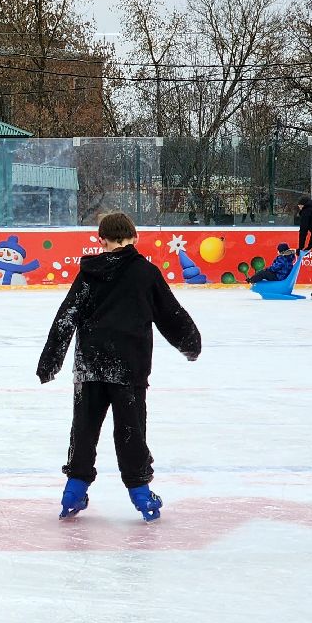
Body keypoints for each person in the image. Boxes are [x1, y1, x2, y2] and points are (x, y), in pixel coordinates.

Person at [36, 212, 201, 522]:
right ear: (134, 237)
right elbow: (170, 314)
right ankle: (141, 493)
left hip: (90, 367)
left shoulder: (89, 273)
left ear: (102, 240)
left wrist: (49, 362)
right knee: (130, 430)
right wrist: (190, 343)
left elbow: (66, 317)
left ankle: (73, 491)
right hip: (129, 367)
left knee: (83, 430)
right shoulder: (145, 273)